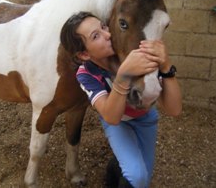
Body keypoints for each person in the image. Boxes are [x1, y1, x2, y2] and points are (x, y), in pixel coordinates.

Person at [60, 11, 182, 188]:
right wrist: (124, 75)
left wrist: (166, 65)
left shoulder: (130, 51)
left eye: (104, 27)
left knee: (143, 179)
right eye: (96, 36)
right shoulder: (86, 74)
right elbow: (112, 117)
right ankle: (116, 171)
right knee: (137, 176)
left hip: (146, 119)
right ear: (84, 55)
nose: (108, 35)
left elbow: (175, 109)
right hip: (118, 123)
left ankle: (115, 167)